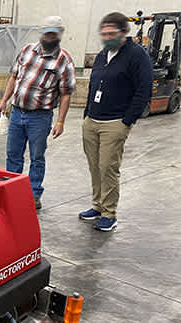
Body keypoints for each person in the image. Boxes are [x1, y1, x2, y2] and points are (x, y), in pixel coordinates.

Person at [79, 12, 153, 231]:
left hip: (115, 122)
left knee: (107, 167)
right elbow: (94, 85)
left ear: (123, 32)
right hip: (92, 120)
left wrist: (127, 121)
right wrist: (86, 113)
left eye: (111, 33)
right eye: (103, 34)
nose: (106, 37)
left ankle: (109, 213)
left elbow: (144, 90)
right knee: (94, 167)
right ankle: (98, 205)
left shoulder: (137, 55)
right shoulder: (103, 54)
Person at [0, 16, 76, 210]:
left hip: (39, 117)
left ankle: (34, 194)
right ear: (41, 33)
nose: (49, 38)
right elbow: (14, 78)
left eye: (53, 34)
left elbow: (66, 94)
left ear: (59, 35)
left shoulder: (64, 60)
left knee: (37, 156)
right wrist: (4, 100)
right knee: (13, 154)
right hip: (17, 112)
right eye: (47, 33)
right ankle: (11, 189)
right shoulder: (26, 51)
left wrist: (60, 122)